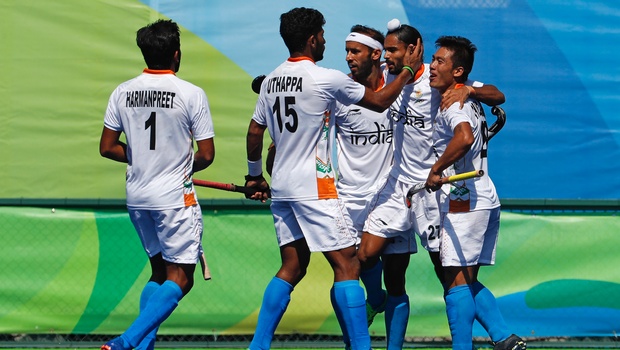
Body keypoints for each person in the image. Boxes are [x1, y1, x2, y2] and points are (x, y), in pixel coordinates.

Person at [243, 7, 422, 350]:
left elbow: (255, 132)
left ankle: (258, 345)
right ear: (313, 39)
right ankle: (360, 346)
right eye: (324, 35)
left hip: (282, 187)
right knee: (348, 264)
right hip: (316, 186)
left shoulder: (272, 81)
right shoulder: (327, 78)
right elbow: (382, 101)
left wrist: (254, 178)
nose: (327, 41)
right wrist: (409, 71)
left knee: (292, 267)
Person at [357, 20, 507, 350]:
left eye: (393, 50)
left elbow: (497, 94)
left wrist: (470, 90)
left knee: (450, 275)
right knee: (367, 256)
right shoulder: (389, 77)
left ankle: (501, 336)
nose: (386, 57)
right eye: (385, 51)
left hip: (435, 190)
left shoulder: (442, 83)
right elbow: (365, 90)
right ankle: (376, 299)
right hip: (398, 187)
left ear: (415, 48)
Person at [99, 19, 215, 350]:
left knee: (159, 272)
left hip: (137, 196)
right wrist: (176, 164)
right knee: (182, 277)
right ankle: (126, 341)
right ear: (176, 55)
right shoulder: (191, 93)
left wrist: (145, 159)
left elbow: (107, 147)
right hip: (173, 197)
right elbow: (206, 154)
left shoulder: (122, 91)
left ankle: (142, 347)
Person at [425, 35, 526, 350]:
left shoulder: (452, 101)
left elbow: (464, 137)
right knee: (464, 281)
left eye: (439, 61)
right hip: (483, 195)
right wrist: (470, 89)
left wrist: (437, 169)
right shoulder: (466, 90)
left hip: (465, 198)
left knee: (455, 283)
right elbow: (497, 95)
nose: (432, 65)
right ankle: (503, 339)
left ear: (457, 72)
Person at [332, 25, 396, 350]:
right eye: (346, 50)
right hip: (347, 200)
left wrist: (469, 91)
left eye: (355, 51)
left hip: (389, 198)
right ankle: (357, 334)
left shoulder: (400, 86)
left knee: (375, 267)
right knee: (347, 272)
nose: (348, 57)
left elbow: (496, 93)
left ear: (375, 53)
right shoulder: (338, 91)